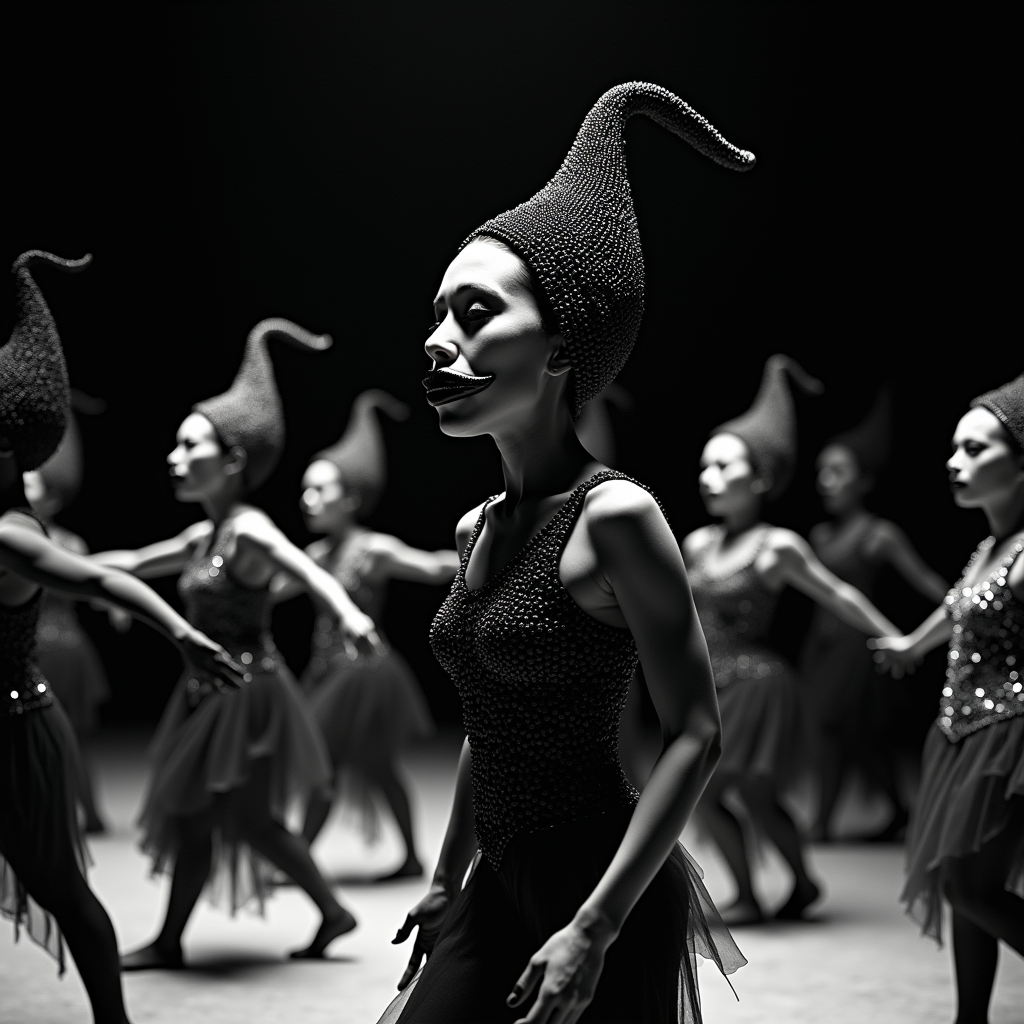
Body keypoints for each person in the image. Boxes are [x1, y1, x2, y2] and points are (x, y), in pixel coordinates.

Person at [383, 81, 754, 1024]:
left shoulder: (617, 517)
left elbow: (697, 732)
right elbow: (488, 722)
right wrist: (442, 875)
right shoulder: (478, 527)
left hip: (595, 884)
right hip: (496, 874)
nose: (436, 341)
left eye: (473, 313)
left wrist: (595, 927)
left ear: (562, 343)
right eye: (438, 314)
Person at [0, 249, 241, 1024]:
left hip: (12, 729)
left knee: (59, 884)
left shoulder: (10, 534)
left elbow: (107, 579)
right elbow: (123, 563)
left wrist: (177, 631)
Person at [94, 319, 380, 970]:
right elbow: (135, 560)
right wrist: (50, 564)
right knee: (225, 821)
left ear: (232, 461)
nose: (173, 456)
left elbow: (308, 571)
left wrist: (349, 614)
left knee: (234, 819)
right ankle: (323, 913)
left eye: (188, 444)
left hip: (249, 699)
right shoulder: (205, 535)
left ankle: (189, 936)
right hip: (209, 694)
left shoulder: (249, 528)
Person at [683, 355, 903, 925]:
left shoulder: (776, 546)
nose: (708, 477)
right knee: (704, 796)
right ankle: (756, 891)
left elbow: (837, 594)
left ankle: (799, 883)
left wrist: (895, 636)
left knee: (751, 792)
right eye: (704, 465)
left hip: (757, 687)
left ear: (760, 477)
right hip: (710, 685)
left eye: (724, 465)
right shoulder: (696, 544)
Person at [871, 373, 1024, 1024]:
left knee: (969, 885)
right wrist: (912, 645)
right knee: (964, 888)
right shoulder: (990, 546)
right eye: (955, 448)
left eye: (975, 450)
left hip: (1005, 736)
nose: (953, 462)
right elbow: (956, 607)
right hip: (961, 732)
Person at [273, 389, 459, 879]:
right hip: (327, 673)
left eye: (319, 490)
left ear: (352, 498)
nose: (307, 499)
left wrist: (488, 544)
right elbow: (270, 591)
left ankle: (300, 856)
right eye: (305, 489)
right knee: (369, 769)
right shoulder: (313, 556)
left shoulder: (372, 549)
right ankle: (404, 856)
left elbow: (432, 566)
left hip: (365, 677)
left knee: (332, 767)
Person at [801, 388, 948, 842]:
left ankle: (823, 823)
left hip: (858, 648)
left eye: (838, 472)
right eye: (822, 471)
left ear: (864, 481)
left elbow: (926, 581)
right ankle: (898, 810)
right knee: (853, 737)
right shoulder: (819, 535)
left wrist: (968, 606)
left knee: (835, 730)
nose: (827, 480)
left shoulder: (879, 535)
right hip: (820, 646)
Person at [23, 389, 119, 834]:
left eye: (32, 485)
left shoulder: (68, 543)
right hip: (27, 649)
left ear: (53, 497)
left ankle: (90, 811)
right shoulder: (15, 538)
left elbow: (93, 583)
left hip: (64, 652)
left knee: (76, 738)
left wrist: (112, 607)